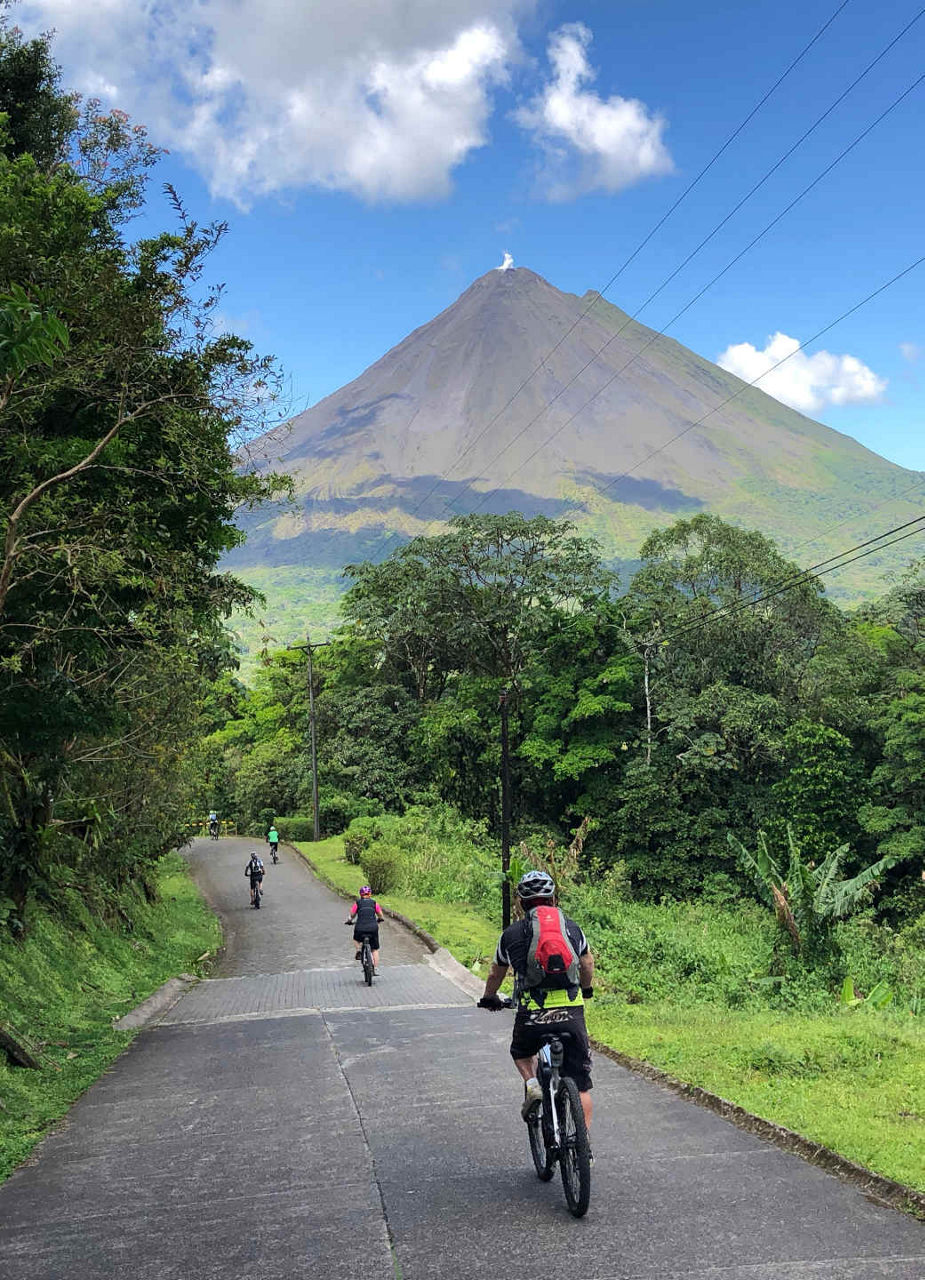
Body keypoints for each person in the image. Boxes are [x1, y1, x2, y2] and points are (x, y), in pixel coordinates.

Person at [478, 870, 595, 1133]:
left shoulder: (510, 935)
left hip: (532, 1016)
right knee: (581, 1083)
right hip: (572, 1013)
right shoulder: (572, 928)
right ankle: (583, 1145)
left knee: (521, 1052)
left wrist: (489, 997)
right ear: (554, 899)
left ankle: (532, 1085)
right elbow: (587, 962)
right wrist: (585, 990)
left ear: (520, 902)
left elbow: (495, 972)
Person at [345, 885, 384, 973]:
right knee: (374, 949)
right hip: (373, 927)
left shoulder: (357, 903)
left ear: (361, 894)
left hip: (360, 927)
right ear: (370, 894)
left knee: (355, 939)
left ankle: (358, 950)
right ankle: (376, 968)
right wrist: (380, 919)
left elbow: (352, 915)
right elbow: (381, 915)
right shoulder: (374, 903)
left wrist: (349, 921)